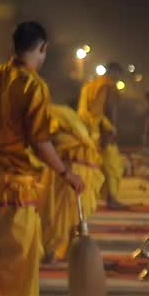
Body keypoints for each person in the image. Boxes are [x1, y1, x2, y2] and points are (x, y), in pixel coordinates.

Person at [0, 23, 84, 296]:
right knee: (16, 256)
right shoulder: (32, 85)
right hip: (17, 183)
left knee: (4, 254)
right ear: (42, 48)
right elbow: (39, 140)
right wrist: (66, 173)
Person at [41, 104, 104, 263]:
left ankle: (52, 250)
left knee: (58, 214)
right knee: (73, 214)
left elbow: (43, 143)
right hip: (82, 169)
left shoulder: (50, 117)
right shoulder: (66, 117)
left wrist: (64, 172)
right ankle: (69, 251)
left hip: (70, 168)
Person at [77, 62, 126, 210]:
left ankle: (91, 199)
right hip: (104, 131)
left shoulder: (89, 86)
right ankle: (111, 199)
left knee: (94, 167)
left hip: (88, 131)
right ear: (115, 72)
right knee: (113, 168)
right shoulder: (108, 86)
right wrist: (110, 131)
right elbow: (109, 109)